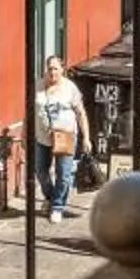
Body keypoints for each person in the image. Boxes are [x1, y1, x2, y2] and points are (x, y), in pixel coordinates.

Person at [32, 56, 90, 221]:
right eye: (49, 68)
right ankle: (50, 197)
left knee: (63, 174)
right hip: (43, 137)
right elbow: (29, 111)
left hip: (65, 135)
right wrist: (24, 134)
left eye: (55, 68)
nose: (52, 72)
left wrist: (86, 138)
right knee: (41, 171)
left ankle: (57, 206)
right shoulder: (38, 86)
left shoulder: (70, 88)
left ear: (62, 70)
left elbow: (81, 113)